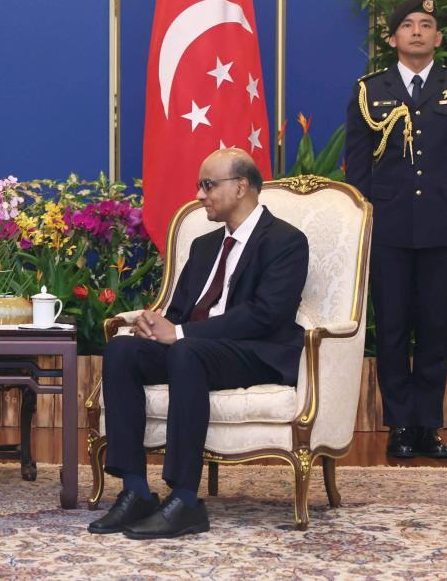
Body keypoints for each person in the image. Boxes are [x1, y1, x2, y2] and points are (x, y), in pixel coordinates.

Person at [88, 148, 308, 539]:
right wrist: (155, 325)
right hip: (195, 351)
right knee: (122, 349)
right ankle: (136, 491)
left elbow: (266, 315)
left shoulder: (286, 241)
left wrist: (180, 334)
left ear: (241, 187)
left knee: (186, 350)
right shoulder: (205, 246)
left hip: (255, 352)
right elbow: (179, 313)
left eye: (208, 185)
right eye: (199, 186)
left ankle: (185, 499)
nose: (199, 195)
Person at [345, 0, 447, 460]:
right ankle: (400, 425)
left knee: (435, 328)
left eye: (426, 24)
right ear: (392, 39)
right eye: (407, 25)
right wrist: (360, 230)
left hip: (444, 229)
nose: (417, 31)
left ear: (438, 37)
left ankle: (428, 425)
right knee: (392, 328)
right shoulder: (369, 91)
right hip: (388, 228)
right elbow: (357, 169)